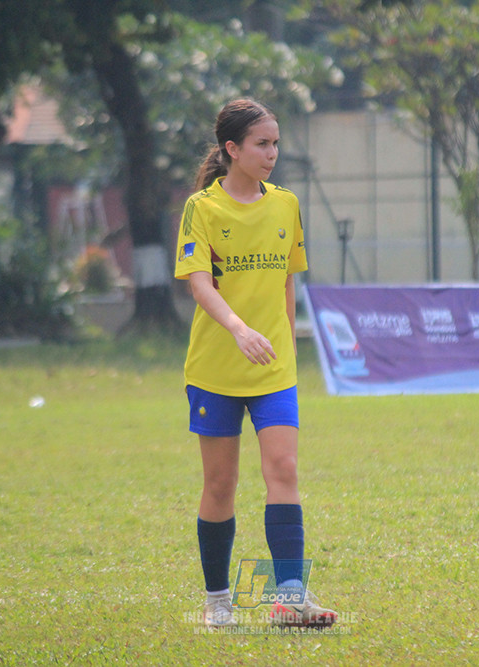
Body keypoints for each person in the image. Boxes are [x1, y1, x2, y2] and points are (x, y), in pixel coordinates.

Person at [174, 99, 336, 629]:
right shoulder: (202, 207)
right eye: (262, 144)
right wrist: (240, 329)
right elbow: (199, 284)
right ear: (232, 150)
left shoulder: (286, 205)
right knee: (220, 485)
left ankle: (289, 600)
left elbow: (287, 283)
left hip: (273, 370)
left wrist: (283, 346)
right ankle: (218, 602)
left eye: (276, 143)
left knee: (284, 469)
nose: (272, 153)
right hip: (215, 369)